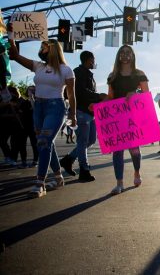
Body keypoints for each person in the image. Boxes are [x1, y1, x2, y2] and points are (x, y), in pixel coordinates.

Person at [8, 38, 76, 198]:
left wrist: (72, 114)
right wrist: (11, 37)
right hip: (38, 108)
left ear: (52, 50)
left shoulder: (66, 70)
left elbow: (72, 95)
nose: (41, 50)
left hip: (55, 107)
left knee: (44, 142)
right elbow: (15, 56)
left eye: (43, 47)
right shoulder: (38, 66)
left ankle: (40, 184)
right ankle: (59, 177)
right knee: (45, 144)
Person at [106, 45, 149, 195]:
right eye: (122, 53)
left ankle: (137, 172)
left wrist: (135, 93)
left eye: (128, 52)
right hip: (117, 118)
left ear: (133, 56)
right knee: (117, 151)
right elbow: (110, 97)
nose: (125, 55)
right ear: (118, 56)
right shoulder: (112, 76)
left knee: (134, 150)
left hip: (134, 117)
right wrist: (97, 103)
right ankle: (119, 183)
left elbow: (146, 94)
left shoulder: (139, 74)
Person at [59, 51, 107, 182]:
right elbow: (80, 92)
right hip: (81, 112)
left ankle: (68, 159)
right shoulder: (79, 72)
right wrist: (98, 96)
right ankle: (84, 170)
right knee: (83, 141)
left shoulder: (87, 73)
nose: (94, 62)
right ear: (88, 60)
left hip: (90, 113)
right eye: (93, 60)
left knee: (91, 140)